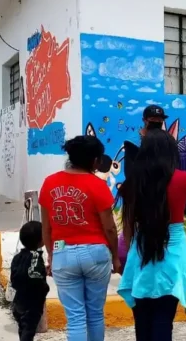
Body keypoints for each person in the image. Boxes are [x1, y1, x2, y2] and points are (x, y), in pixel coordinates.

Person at [116, 129, 186, 341]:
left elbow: (127, 227)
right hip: (173, 257)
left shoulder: (132, 183)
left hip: (140, 254)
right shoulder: (185, 179)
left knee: (142, 322)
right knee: (164, 321)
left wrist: (125, 257)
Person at [39, 135, 121, 341]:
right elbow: (110, 228)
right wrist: (116, 256)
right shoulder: (97, 185)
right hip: (95, 253)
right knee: (94, 314)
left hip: (63, 253)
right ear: (94, 161)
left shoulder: (49, 183)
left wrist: (51, 256)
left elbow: (46, 228)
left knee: (75, 318)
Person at [10, 221, 49, 341]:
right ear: (41, 240)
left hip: (18, 300)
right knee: (29, 330)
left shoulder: (18, 257)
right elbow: (34, 276)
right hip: (32, 302)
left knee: (23, 328)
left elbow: (16, 276)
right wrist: (44, 288)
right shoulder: (36, 257)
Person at [123, 105, 168, 176]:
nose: (157, 122)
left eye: (159, 120)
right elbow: (129, 171)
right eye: (153, 119)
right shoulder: (132, 142)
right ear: (144, 120)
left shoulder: (167, 139)